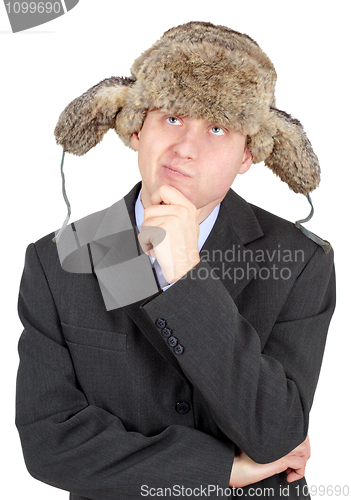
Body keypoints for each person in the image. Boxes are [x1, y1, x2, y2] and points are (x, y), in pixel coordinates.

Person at [16, 22, 336, 499]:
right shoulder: (60, 259)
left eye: (216, 127)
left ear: (248, 152)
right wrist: (221, 470)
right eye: (171, 118)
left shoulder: (300, 261)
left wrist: (187, 274)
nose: (186, 148)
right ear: (135, 127)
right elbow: (49, 443)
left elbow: (274, 432)